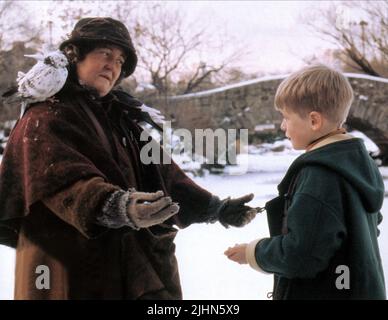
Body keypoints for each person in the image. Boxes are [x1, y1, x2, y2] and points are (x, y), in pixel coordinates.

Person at [0, 17, 257, 300]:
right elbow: (62, 180)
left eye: (121, 60)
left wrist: (215, 208)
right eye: (105, 54)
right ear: (76, 56)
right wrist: (117, 205)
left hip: (123, 263)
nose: (113, 65)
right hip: (67, 267)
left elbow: (164, 173)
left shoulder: (118, 118)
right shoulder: (44, 118)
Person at [225, 64, 386, 300]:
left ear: (314, 121)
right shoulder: (359, 163)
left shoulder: (320, 176)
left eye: (285, 117)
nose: (282, 126)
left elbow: (301, 255)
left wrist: (252, 252)